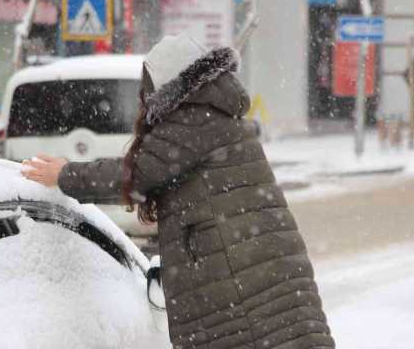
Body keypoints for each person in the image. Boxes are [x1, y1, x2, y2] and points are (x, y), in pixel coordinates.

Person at [22, 34, 335, 349]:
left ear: (167, 87)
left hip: (242, 299)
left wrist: (65, 174)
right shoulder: (222, 118)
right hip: (272, 288)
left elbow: (135, 175)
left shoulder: (194, 120)